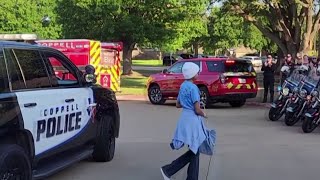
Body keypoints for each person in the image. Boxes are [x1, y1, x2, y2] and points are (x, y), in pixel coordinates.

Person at [160, 62, 207, 180]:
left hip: (184, 119)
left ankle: (191, 177)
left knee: (195, 150)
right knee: (194, 150)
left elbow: (178, 104)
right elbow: (197, 110)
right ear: (193, 74)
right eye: (197, 72)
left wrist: (187, 104)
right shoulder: (194, 88)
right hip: (192, 121)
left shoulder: (183, 86)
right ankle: (168, 170)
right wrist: (204, 114)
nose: (198, 73)